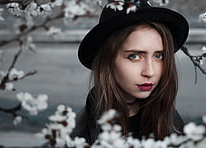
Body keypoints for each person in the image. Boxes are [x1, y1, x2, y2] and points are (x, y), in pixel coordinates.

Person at [71, 0, 189, 144]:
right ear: (107, 61)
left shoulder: (172, 123)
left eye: (159, 56)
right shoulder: (79, 138)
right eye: (134, 56)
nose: (150, 72)